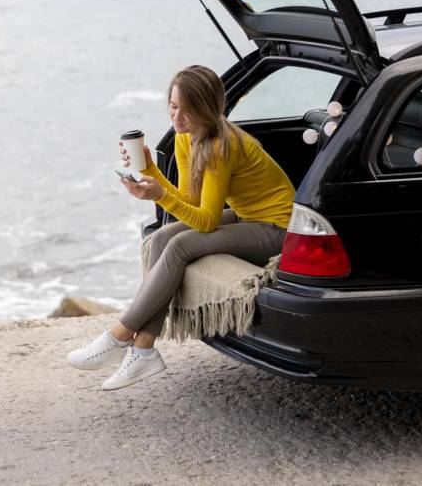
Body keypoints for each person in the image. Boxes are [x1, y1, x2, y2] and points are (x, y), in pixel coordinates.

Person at [67, 65, 296, 390]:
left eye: (188, 111)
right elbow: (189, 201)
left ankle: (118, 336)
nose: (177, 118)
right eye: (173, 107)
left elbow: (206, 221)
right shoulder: (185, 138)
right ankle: (143, 350)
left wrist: (159, 193)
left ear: (209, 109)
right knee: (162, 237)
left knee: (180, 246)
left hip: (279, 229)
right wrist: (149, 171)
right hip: (249, 217)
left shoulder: (220, 146)